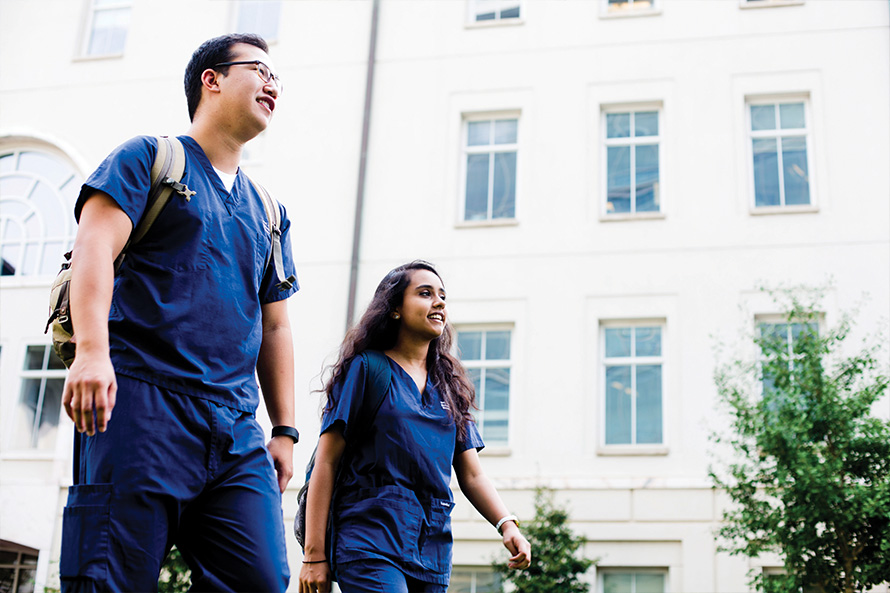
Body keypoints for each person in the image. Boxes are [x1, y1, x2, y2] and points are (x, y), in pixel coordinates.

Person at [59, 33, 299, 592]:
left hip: (236, 427)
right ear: (210, 80)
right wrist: (92, 352)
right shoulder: (148, 159)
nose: (272, 84)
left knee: (261, 580)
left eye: (277, 78)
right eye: (258, 70)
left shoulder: (268, 211)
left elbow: (276, 323)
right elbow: (94, 247)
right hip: (139, 402)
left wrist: (284, 428)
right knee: (109, 578)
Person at [299, 261, 531, 593]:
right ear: (394, 309)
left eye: (442, 296)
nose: (439, 303)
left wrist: (507, 525)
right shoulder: (367, 370)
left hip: (431, 549)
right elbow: (327, 461)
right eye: (425, 294)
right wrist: (314, 556)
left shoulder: (449, 385)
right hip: (370, 540)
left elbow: (472, 474)